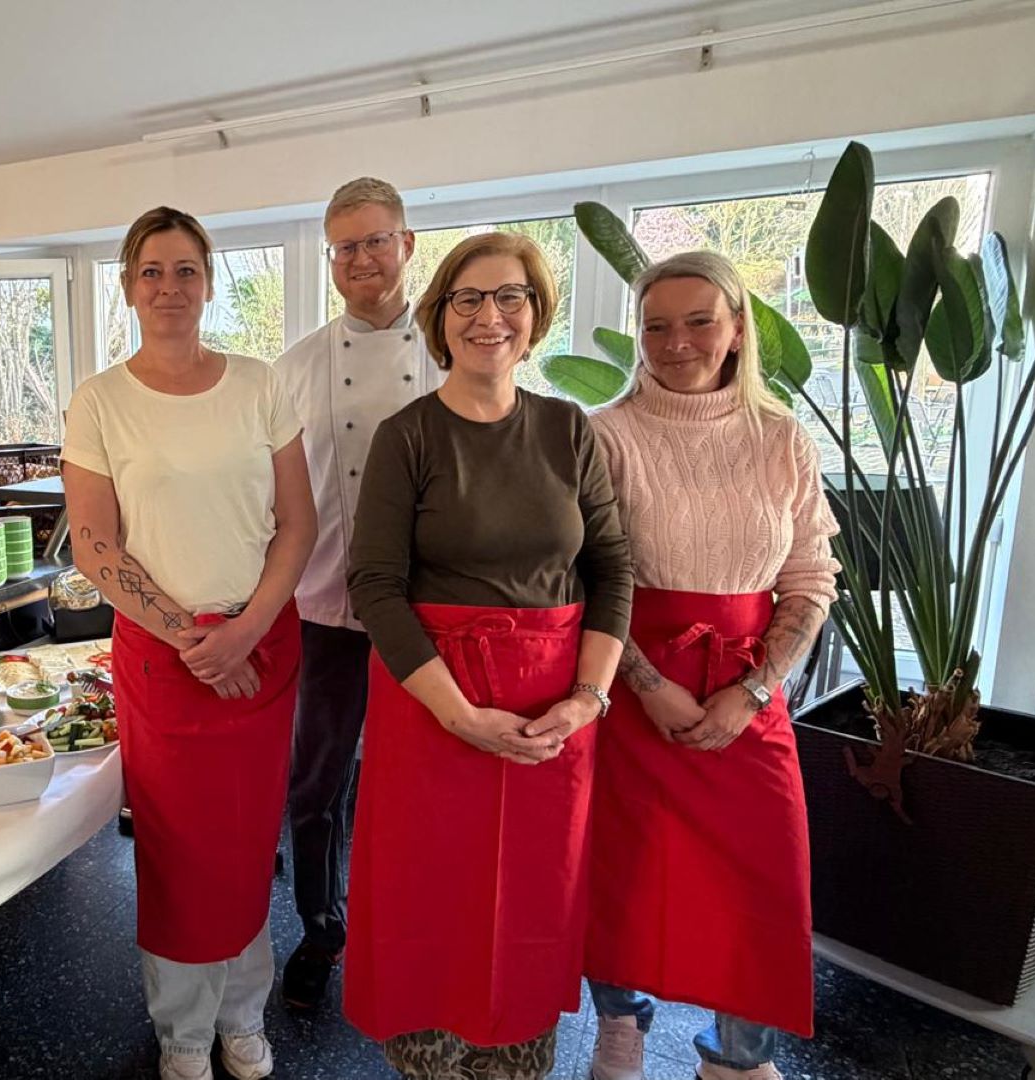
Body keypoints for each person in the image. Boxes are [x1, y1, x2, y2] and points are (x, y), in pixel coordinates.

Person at [345, 232, 634, 1080]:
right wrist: (462, 715)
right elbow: (374, 585)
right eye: (468, 298)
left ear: (535, 315)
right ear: (441, 317)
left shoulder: (566, 429)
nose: (489, 316)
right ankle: (429, 1060)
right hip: (435, 710)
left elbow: (613, 565)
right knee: (433, 904)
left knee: (532, 902)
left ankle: (518, 1059)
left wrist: (588, 700)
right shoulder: (409, 436)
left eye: (510, 297)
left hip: (554, 717)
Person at [61, 206, 317, 1080]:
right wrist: (190, 636)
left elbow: (298, 523)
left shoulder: (259, 384)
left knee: (247, 843)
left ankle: (244, 1016)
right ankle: (180, 1032)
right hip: (162, 660)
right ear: (128, 286)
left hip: (262, 646)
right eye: (151, 271)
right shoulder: (100, 401)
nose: (169, 287)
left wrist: (242, 630)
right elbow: (94, 542)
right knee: (175, 848)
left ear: (209, 281)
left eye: (186, 270)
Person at [584, 251, 838, 1080]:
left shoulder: (782, 440)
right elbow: (581, 578)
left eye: (698, 321)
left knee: (762, 883)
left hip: (749, 688)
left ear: (736, 331)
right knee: (623, 871)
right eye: (656, 325)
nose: (676, 341)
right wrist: (648, 686)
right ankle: (621, 1025)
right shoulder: (603, 434)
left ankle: (738, 1056)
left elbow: (808, 577)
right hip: (632, 685)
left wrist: (755, 689)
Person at [273, 176, 441, 1010]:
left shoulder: (455, 353)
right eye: (346, 247)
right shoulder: (297, 366)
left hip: (431, 613)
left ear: (408, 245)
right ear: (330, 260)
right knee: (317, 783)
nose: (363, 259)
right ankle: (320, 929)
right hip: (327, 608)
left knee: (420, 783)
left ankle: (413, 928)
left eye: (378, 240)